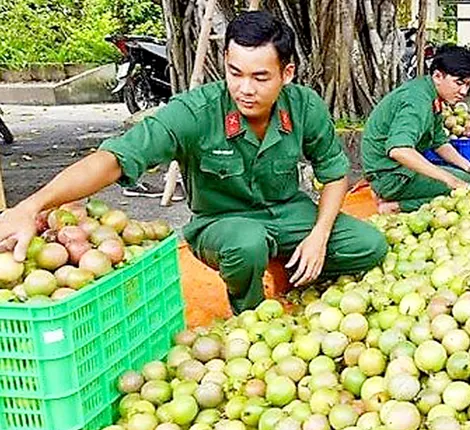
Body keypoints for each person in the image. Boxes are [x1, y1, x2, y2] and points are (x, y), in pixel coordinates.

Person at [0, 11, 387, 313]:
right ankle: (249, 312)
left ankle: (284, 267)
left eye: (260, 77)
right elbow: (114, 159)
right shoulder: (195, 111)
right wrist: (31, 205)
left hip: (289, 215)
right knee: (246, 245)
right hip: (222, 224)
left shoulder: (304, 106)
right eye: (235, 73)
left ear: (286, 74)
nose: (245, 88)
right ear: (224, 63)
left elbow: (334, 174)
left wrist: (318, 236)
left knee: (370, 245)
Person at [362, 45, 470, 213]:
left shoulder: (431, 95)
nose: (464, 91)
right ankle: (395, 206)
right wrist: (450, 180)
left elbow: (438, 142)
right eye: (459, 83)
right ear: (437, 76)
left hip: (395, 170)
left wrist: (469, 167)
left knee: (468, 179)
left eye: (468, 84)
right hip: (390, 175)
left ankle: (392, 195)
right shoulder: (417, 101)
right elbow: (399, 150)